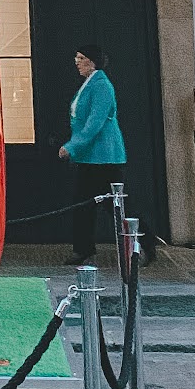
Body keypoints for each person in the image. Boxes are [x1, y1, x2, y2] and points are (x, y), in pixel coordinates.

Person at [59, 47, 127, 266]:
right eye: (76, 57)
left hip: (104, 157)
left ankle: (142, 242)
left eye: (81, 58)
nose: (76, 62)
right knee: (83, 204)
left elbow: (95, 123)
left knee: (112, 204)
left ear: (93, 62)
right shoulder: (91, 84)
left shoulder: (101, 86)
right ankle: (83, 248)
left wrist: (72, 146)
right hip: (90, 157)